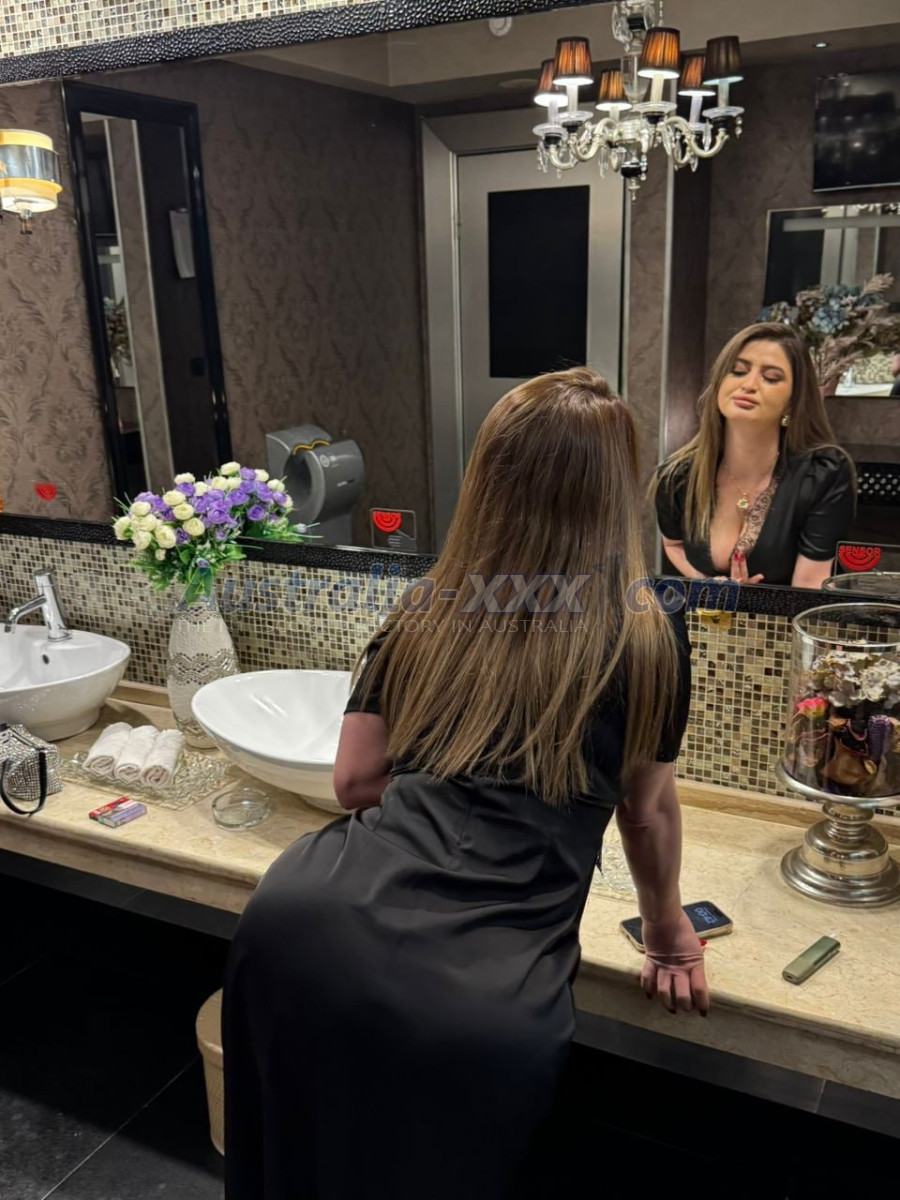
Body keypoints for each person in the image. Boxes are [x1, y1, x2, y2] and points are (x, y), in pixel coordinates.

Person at [223, 368, 708, 1200]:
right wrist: (667, 930)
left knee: (293, 1172)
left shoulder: (429, 605)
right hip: (476, 996)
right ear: (616, 489)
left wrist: (451, 783)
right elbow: (647, 809)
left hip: (299, 927)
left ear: (487, 476)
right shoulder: (649, 625)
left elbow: (354, 780)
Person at [654, 323, 857, 588]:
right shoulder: (677, 476)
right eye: (738, 371)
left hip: (794, 613)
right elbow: (673, 544)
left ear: (793, 400)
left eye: (771, 378)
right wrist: (712, 586)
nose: (748, 385)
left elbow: (809, 586)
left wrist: (752, 600)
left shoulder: (823, 474)